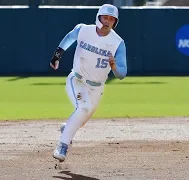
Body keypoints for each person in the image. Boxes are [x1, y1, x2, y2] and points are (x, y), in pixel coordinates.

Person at [49, 4, 127, 162]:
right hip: (77, 79)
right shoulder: (84, 30)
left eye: (111, 19)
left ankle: (67, 129)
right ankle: (62, 146)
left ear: (115, 22)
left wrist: (114, 67)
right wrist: (57, 56)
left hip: (97, 88)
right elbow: (69, 38)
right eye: (105, 17)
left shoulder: (117, 42)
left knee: (81, 120)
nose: (107, 21)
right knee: (83, 108)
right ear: (99, 17)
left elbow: (122, 73)